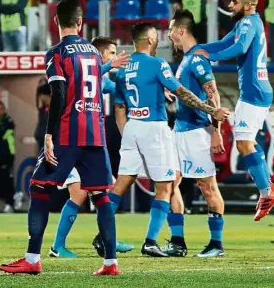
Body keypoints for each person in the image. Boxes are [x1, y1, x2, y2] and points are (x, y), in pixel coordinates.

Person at [0, 0, 119, 276]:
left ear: (55, 23)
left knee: (39, 187)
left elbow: (60, 95)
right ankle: (110, 263)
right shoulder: (93, 52)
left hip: (68, 131)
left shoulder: (57, 53)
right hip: (96, 132)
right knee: (101, 195)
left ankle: (32, 258)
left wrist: (49, 134)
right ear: (80, 22)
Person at [92, 22, 229, 258]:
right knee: (165, 186)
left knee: (122, 183)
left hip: (132, 127)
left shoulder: (123, 69)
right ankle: (150, 241)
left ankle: (101, 236)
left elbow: (119, 108)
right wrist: (210, 109)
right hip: (154, 128)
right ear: (149, 40)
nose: (159, 40)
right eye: (156, 36)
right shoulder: (157, 64)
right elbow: (182, 93)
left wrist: (129, 136)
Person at [194, 0, 274, 222]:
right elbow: (223, 43)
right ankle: (268, 187)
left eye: (234, 2)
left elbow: (238, 48)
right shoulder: (248, 23)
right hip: (257, 89)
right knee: (248, 142)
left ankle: (266, 192)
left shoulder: (249, 23)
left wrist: (208, 57)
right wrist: (197, 50)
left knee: (243, 145)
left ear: (249, 4)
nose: (230, 5)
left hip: (253, 91)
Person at [49, 36, 132, 258]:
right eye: (112, 52)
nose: (115, 57)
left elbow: (116, 89)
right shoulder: (78, 71)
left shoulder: (99, 79)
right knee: (78, 194)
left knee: (106, 188)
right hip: (69, 140)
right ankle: (57, 246)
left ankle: (107, 241)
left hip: (87, 142)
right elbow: (90, 75)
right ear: (99, 54)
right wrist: (107, 66)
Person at [163, 9, 225, 257]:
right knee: (169, 183)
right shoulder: (186, 60)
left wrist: (216, 132)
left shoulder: (197, 60)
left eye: (170, 29)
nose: (168, 34)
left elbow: (214, 94)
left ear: (181, 30)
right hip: (180, 131)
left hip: (198, 131)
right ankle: (177, 242)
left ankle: (216, 244)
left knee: (207, 187)